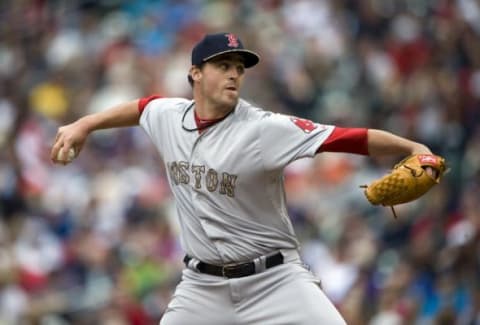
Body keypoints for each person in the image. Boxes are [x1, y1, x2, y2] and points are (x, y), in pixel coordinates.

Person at [51, 32, 438, 324]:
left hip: (276, 280)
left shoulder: (264, 129)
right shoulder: (169, 114)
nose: (235, 74)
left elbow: (348, 139)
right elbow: (141, 108)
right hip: (202, 287)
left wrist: (412, 146)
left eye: (239, 68)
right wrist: (84, 124)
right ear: (195, 73)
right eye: (224, 66)